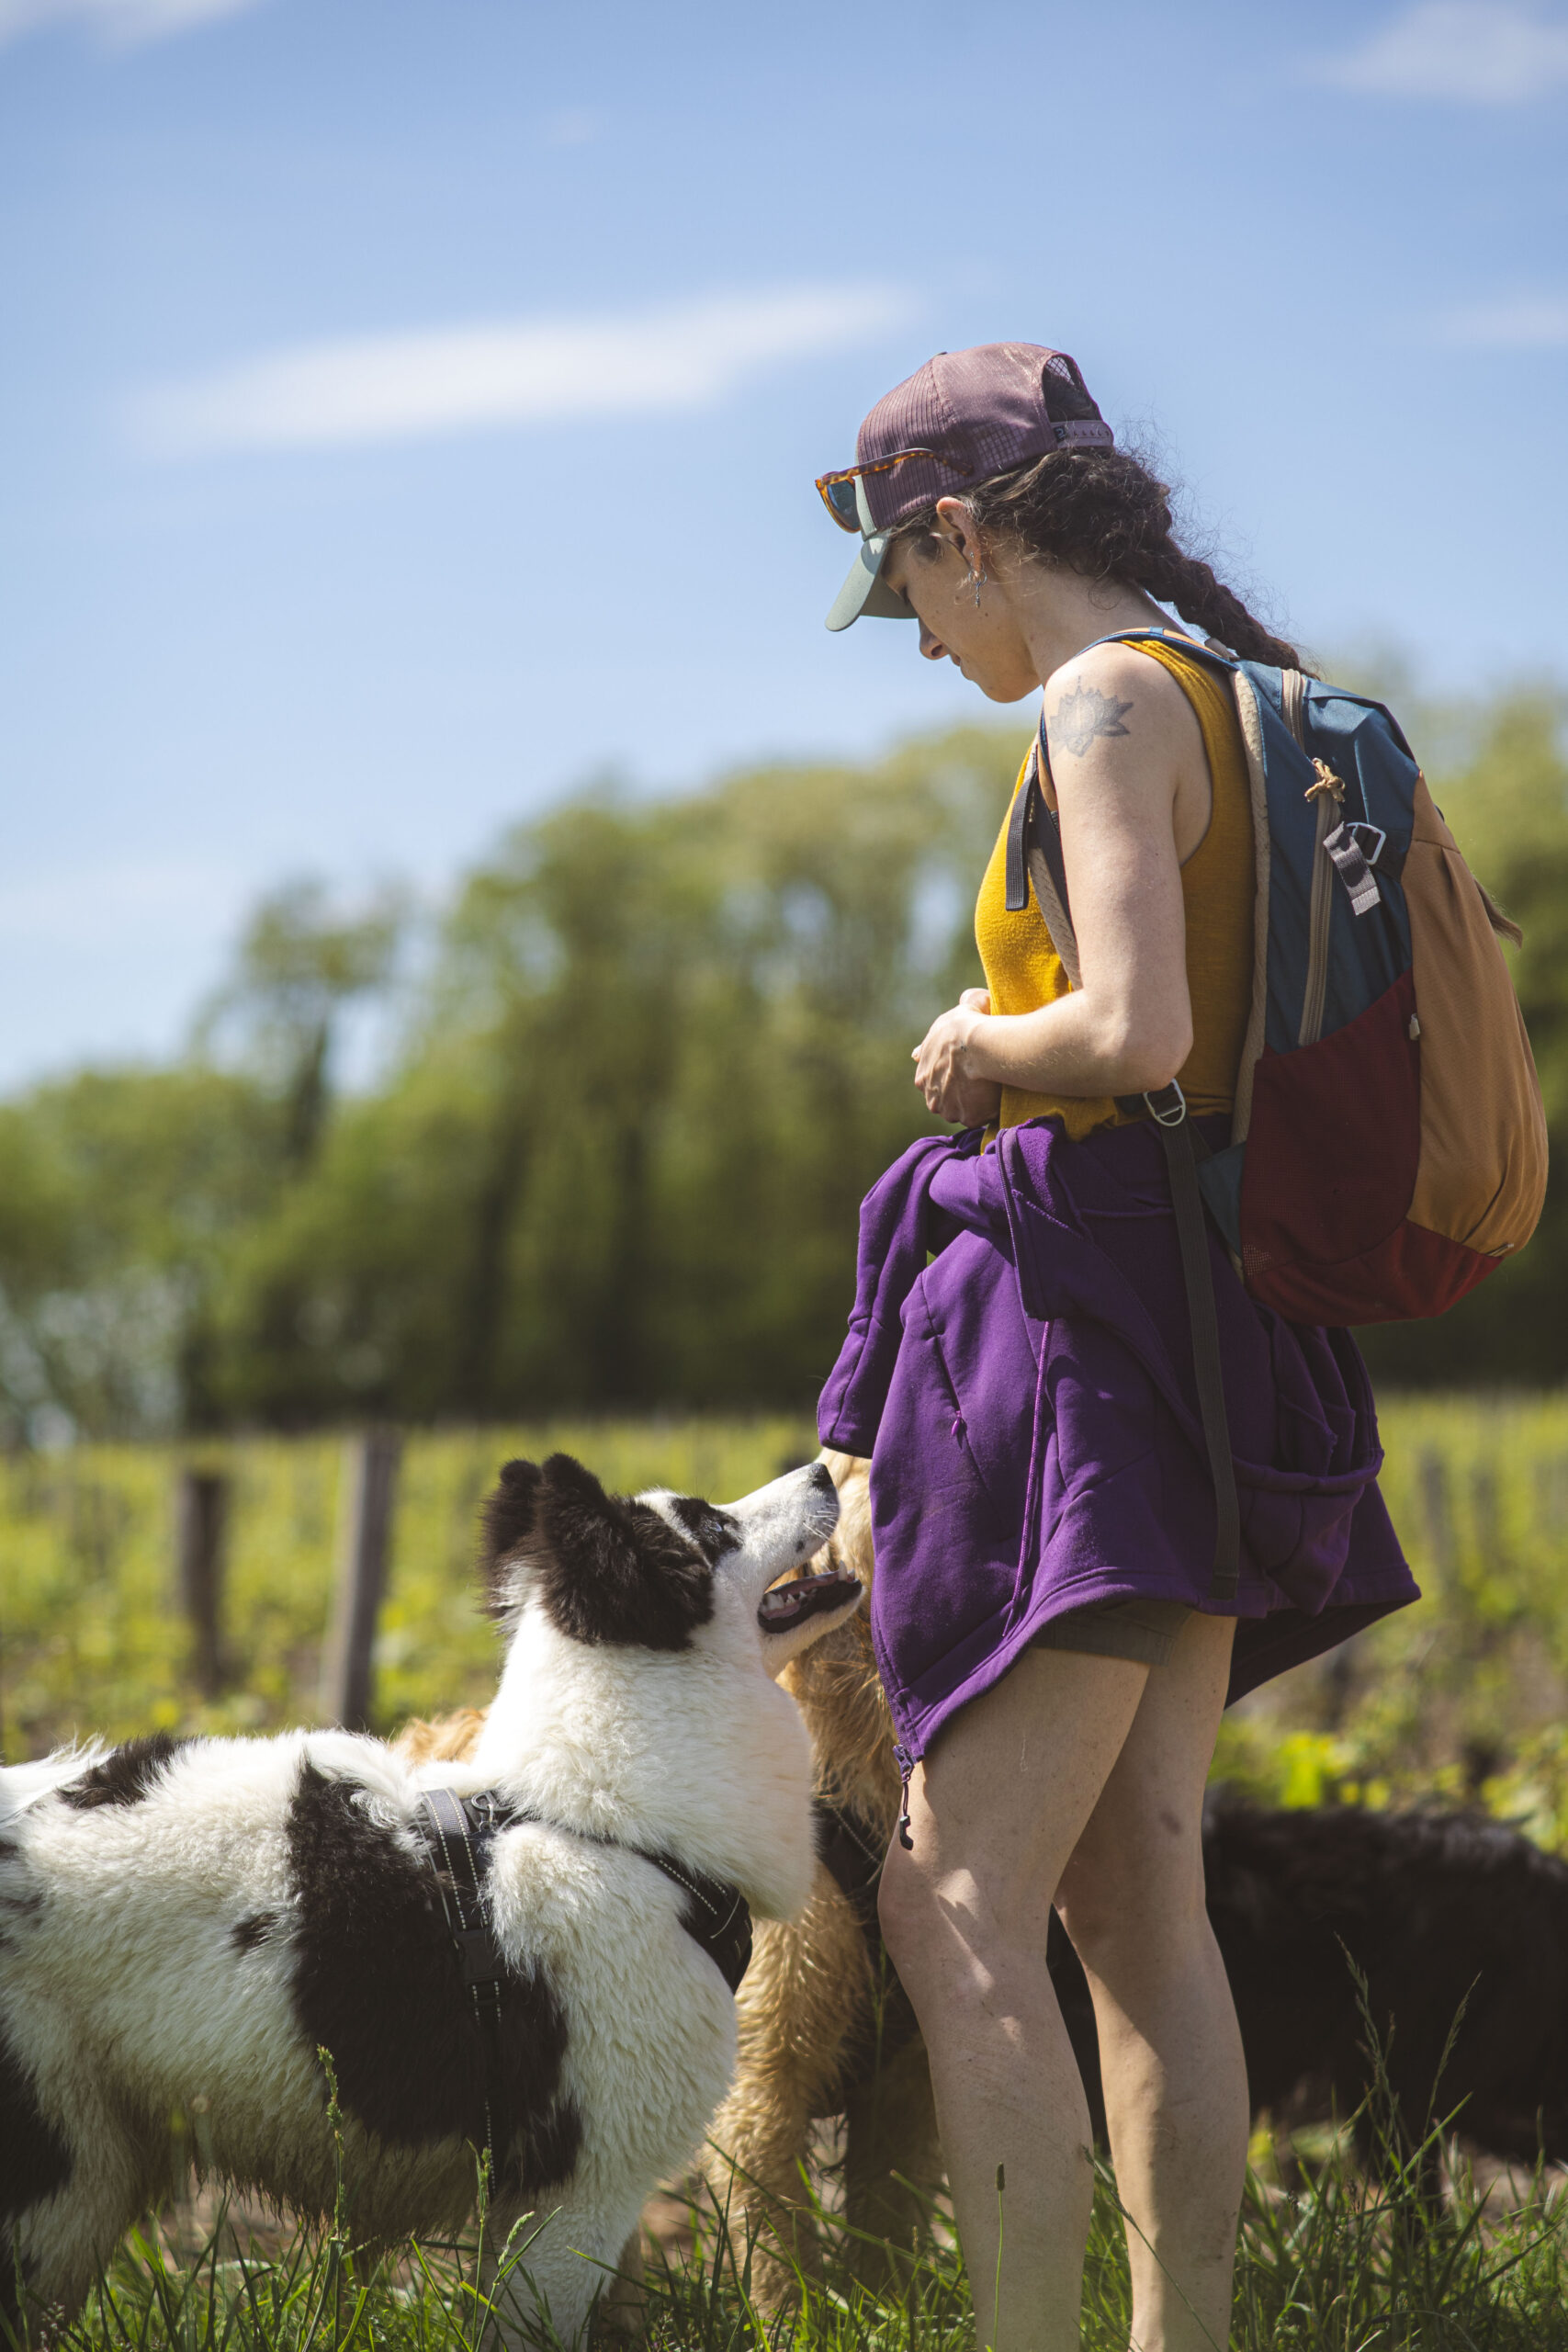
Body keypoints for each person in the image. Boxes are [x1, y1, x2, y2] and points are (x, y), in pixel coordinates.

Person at [814, 345, 1418, 2352]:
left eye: (908, 588)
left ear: (960, 531)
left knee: (949, 1896)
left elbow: (1135, 1034)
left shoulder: (1093, 698)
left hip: (1091, 1334)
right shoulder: (1235, 705)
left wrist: (973, 1041)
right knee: (1135, 1896)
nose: (914, 640)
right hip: (1222, 1318)